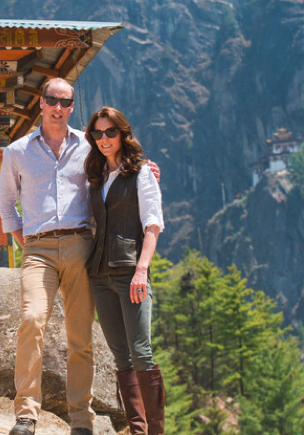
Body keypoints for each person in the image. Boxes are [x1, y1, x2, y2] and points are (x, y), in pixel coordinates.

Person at [0, 79, 160, 435]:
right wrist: (25, 239)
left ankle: (82, 421)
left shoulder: (87, 147)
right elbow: (5, 203)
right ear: (40, 103)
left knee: (80, 337)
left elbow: (120, 164)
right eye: (52, 100)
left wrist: (147, 168)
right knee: (32, 319)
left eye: (65, 102)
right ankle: (26, 414)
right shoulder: (18, 151)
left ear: (72, 107)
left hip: (82, 247)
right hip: (37, 249)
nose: (58, 107)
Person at [83, 107, 166, 434]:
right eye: (98, 134)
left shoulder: (142, 172)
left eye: (110, 132)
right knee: (121, 356)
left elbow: (152, 224)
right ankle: (137, 429)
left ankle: (156, 431)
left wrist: (142, 270)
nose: (104, 139)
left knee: (141, 352)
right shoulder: (95, 174)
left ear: (122, 134)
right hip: (99, 275)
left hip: (131, 273)